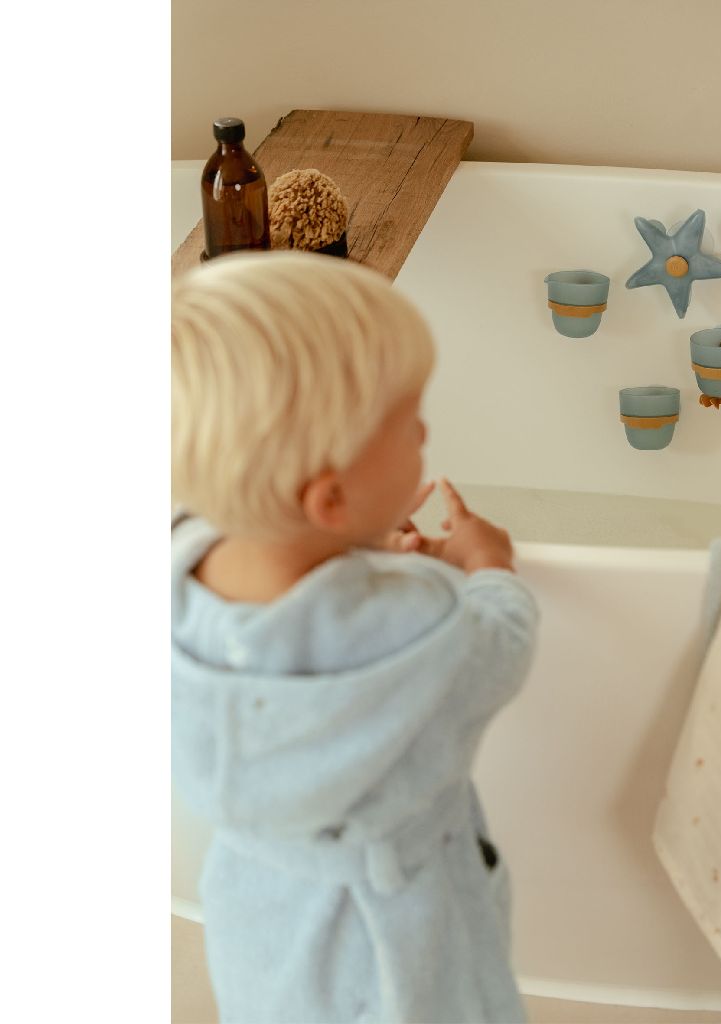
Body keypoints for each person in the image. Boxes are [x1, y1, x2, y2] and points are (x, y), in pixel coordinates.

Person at [171, 251, 539, 1023]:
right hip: (391, 940)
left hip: (259, 912)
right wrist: (488, 567)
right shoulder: (413, 621)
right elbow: (498, 652)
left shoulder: (176, 580)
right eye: (408, 425)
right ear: (331, 500)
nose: (426, 430)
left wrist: (355, 552)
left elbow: (292, 611)